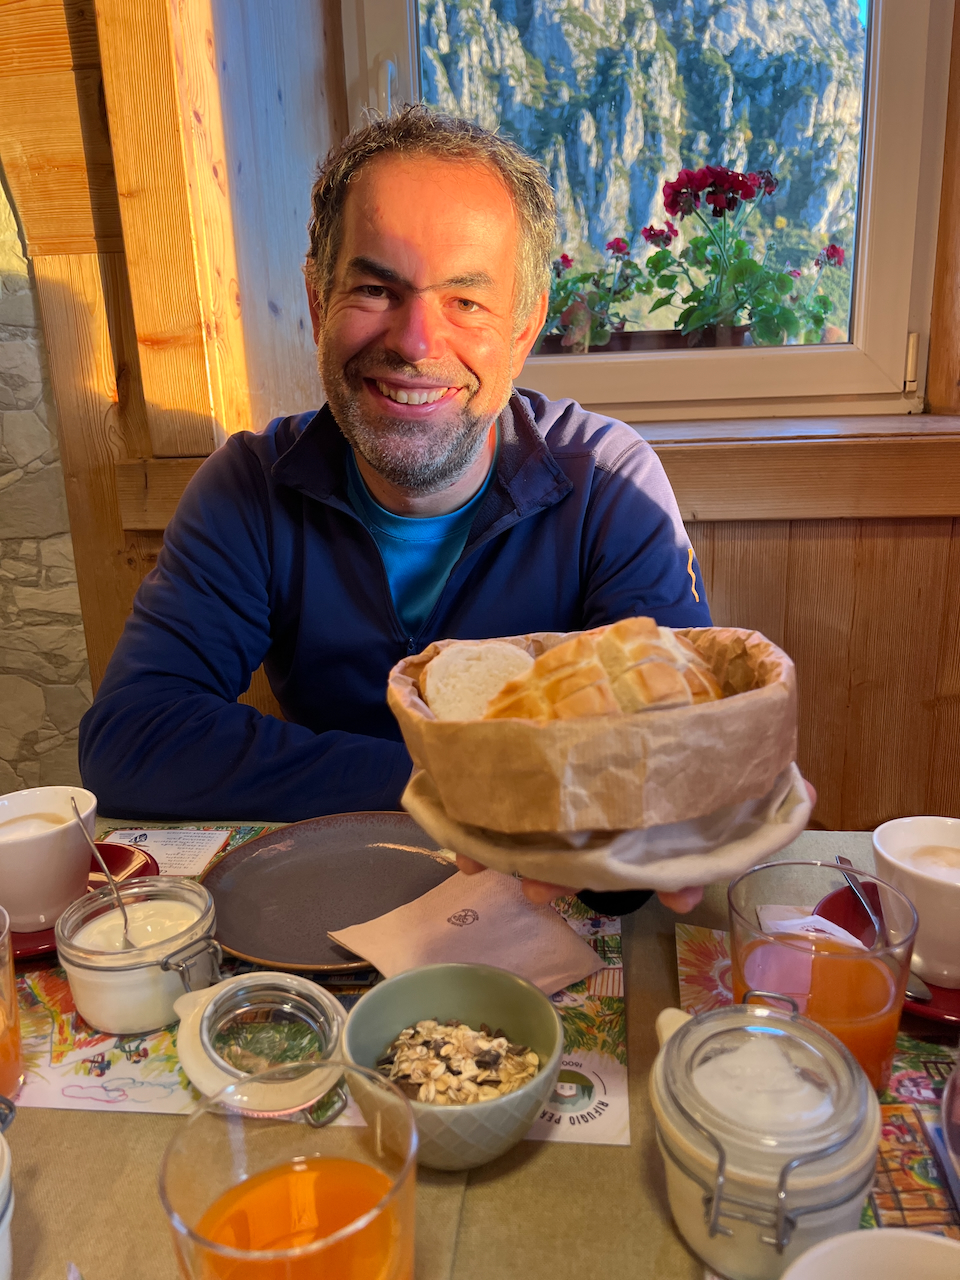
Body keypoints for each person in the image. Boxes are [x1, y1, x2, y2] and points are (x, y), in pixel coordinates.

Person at [79, 107, 713, 913]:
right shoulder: (247, 488)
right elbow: (134, 738)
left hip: (545, 919)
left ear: (524, 328)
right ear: (318, 303)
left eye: (466, 301)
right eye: (376, 289)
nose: (415, 341)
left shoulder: (610, 485)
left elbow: (671, 756)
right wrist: (463, 782)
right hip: (328, 904)